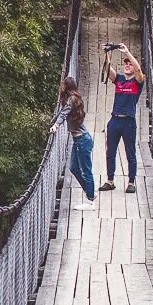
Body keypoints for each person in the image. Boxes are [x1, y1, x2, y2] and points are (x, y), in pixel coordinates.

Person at [101, 42, 145, 194]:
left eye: (129, 65)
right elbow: (107, 70)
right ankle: (110, 180)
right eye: (125, 64)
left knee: (130, 152)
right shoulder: (119, 79)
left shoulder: (137, 82)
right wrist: (107, 53)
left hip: (128, 122)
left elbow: (138, 69)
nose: (127, 65)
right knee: (110, 152)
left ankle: (131, 182)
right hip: (115, 120)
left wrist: (127, 53)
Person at [52, 76, 95, 209]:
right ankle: (90, 192)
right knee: (74, 168)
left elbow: (64, 114)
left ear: (67, 86)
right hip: (79, 140)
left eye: (63, 84)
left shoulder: (71, 100)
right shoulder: (73, 98)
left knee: (86, 170)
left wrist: (56, 126)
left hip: (82, 140)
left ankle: (91, 200)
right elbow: (63, 112)